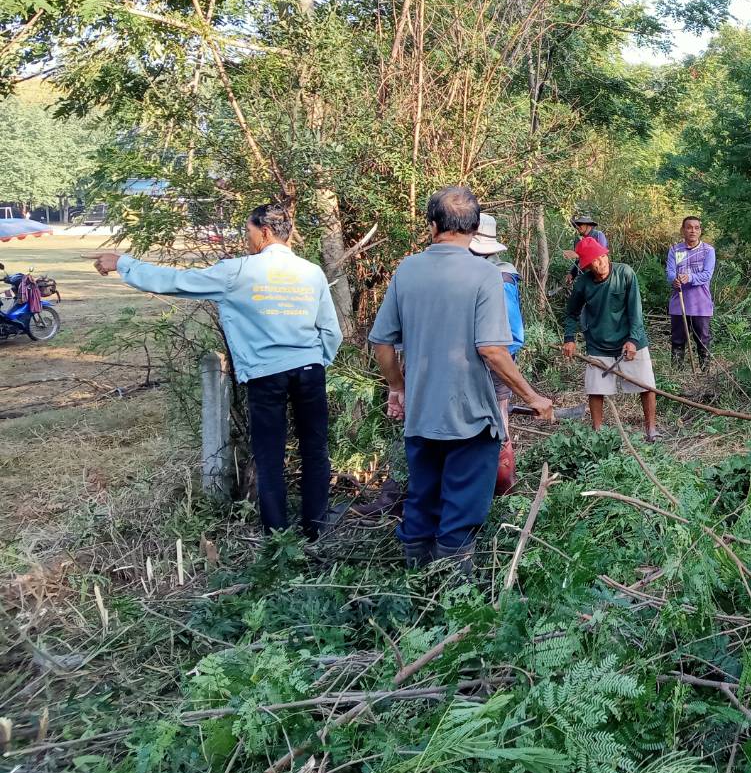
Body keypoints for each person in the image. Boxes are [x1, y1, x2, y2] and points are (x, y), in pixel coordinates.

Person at [91, 204, 342, 541]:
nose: (246, 239)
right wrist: (318, 361)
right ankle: (316, 530)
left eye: (248, 232)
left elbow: (176, 281)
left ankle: (278, 539)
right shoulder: (311, 272)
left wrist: (124, 264)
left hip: (266, 375)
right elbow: (330, 330)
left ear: (265, 232)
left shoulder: (237, 272)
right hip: (310, 370)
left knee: (270, 456)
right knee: (315, 450)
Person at [369, 187, 554, 572]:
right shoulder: (485, 275)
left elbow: (382, 342)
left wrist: (397, 387)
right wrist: (533, 397)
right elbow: (493, 350)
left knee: (422, 498)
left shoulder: (407, 270)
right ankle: (454, 587)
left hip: (421, 415)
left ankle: (415, 579)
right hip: (470, 418)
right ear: (473, 228)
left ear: (433, 226)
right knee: (461, 508)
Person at [562, 235, 659, 440]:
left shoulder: (625, 273)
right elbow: (571, 313)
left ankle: (651, 430)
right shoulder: (583, 284)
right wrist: (569, 338)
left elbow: (635, 311)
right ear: (587, 266)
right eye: (595, 261)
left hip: (631, 338)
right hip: (598, 342)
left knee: (646, 384)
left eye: (603, 257)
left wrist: (633, 340)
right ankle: (598, 433)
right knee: (595, 389)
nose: (601, 263)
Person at [470, 213, 524, 487]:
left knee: (498, 418)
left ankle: (502, 481)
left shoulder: (500, 278)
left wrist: (498, 358)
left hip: (494, 359)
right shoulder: (485, 272)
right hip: (483, 357)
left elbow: (512, 333)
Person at [666, 216, 716, 369]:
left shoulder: (708, 251)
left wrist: (690, 277)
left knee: (703, 340)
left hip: (701, 305)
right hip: (679, 304)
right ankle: (676, 374)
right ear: (683, 230)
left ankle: (705, 374)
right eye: (689, 227)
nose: (693, 231)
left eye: (696, 228)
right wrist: (674, 280)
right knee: (677, 340)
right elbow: (670, 272)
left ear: (700, 231)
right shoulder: (675, 250)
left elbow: (707, 274)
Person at [562, 212, 607, 282]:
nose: (577, 227)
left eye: (580, 224)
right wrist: (572, 274)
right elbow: (578, 261)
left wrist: (578, 255)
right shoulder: (578, 240)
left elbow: (601, 255)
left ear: (588, 225)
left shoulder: (598, 235)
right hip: (583, 276)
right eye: (576, 225)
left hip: (597, 275)